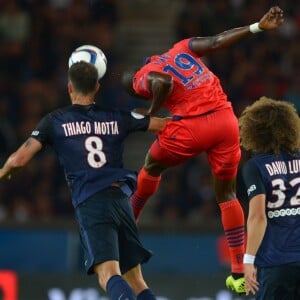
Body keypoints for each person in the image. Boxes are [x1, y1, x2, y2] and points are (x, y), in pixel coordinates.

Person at [121, 6, 284, 294]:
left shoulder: (142, 75)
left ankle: (128, 221)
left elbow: (162, 82)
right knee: (227, 194)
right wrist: (256, 27)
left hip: (192, 128)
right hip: (225, 121)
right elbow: (219, 41)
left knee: (152, 166)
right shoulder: (182, 48)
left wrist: (150, 111)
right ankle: (237, 272)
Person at [0, 61, 169, 300]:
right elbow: (163, 125)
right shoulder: (117, 117)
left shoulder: (55, 120)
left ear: (70, 87)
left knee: (108, 275)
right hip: (121, 200)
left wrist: (2, 173)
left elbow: (18, 160)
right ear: (97, 87)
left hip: (92, 202)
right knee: (137, 281)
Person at [239, 97, 300, 299]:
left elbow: (258, 217)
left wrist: (248, 260)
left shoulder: (255, 167)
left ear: (254, 132)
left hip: (276, 263)